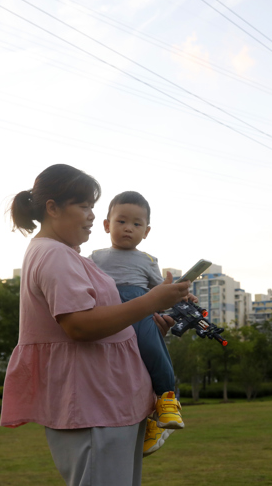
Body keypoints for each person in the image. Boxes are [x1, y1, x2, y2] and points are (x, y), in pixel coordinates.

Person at [0, 164, 191, 486]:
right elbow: (80, 326)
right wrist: (151, 301)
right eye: (84, 205)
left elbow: (106, 321)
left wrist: (145, 326)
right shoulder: (54, 254)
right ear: (53, 208)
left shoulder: (69, 255)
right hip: (93, 406)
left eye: (92, 206)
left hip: (110, 405)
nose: (91, 215)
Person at [89, 191, 184, 457]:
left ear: (147, 231)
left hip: (140, 313)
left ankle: (167, 399)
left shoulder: (147, 261)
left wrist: (180, 294)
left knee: (153, 351)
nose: (128, 228)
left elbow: (162, 294)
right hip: (108, 317)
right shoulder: (94, 258)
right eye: (121, 222)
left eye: (136, 224)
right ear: (107, 225)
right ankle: (149, 426)